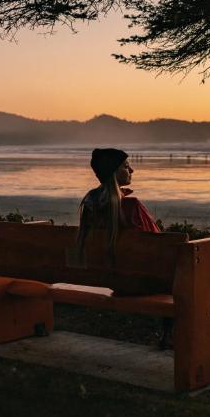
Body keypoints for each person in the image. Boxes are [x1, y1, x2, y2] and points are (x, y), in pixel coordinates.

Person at [76, 148, 172, 347]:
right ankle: (170, 334)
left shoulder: (89, 206)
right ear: (113, 172)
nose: (132, 171)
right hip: (136, 281)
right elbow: (157, 245)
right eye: (126, 167)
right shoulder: (131, 206)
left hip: (111, 278)